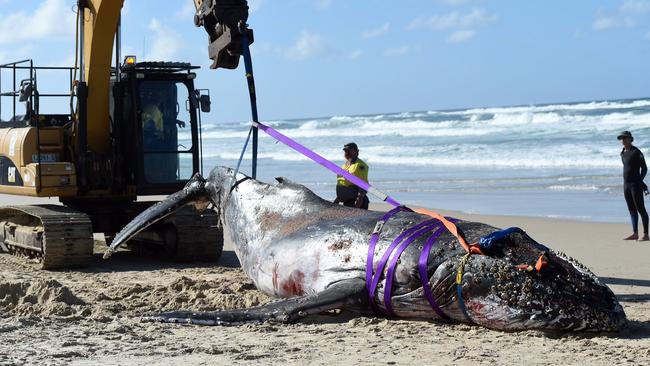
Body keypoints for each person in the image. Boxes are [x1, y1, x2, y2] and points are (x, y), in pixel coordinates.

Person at [618, 131, 648, 241]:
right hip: (626, 185)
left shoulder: (637, 152)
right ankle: (635, 233)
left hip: (635, 185)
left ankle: (645, 234)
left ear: (631, 139)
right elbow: (628, 169)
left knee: (641, 209)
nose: (623, 140)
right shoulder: (622, 153)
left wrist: (639, 181)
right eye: (621, 138)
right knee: (631, 210)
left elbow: (644, 169)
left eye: (625, 138)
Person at [334, 142, 370, 209]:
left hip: (357, 202)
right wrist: (336, 202)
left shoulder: (360, 166)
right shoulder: (344, 165)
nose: (347, 153)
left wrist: (358, 202)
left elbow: (363, 186)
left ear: (357, 151)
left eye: (350, 150)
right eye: (346, 151)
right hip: (347, 201)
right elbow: (343, 184)